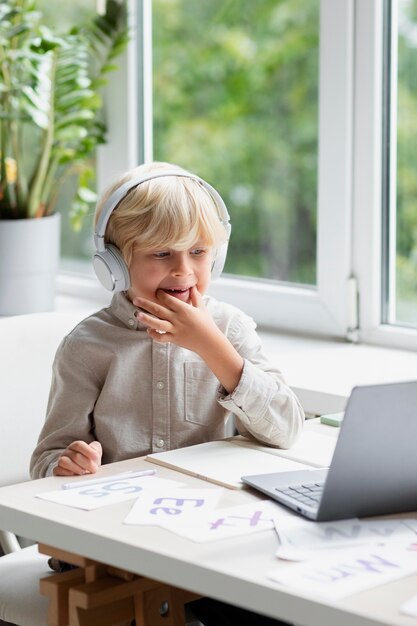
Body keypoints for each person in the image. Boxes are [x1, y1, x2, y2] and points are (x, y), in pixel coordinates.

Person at [30, 161, 304, 626]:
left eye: (199, 251)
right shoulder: (87, 346)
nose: (185, 271)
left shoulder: (229, 330)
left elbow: (287, 427)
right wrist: (67, 463)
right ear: (114, 264)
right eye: (161, 254)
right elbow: (46, 459)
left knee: (274, 601)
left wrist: (213, 348)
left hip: (207, 535)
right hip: (114, 538)